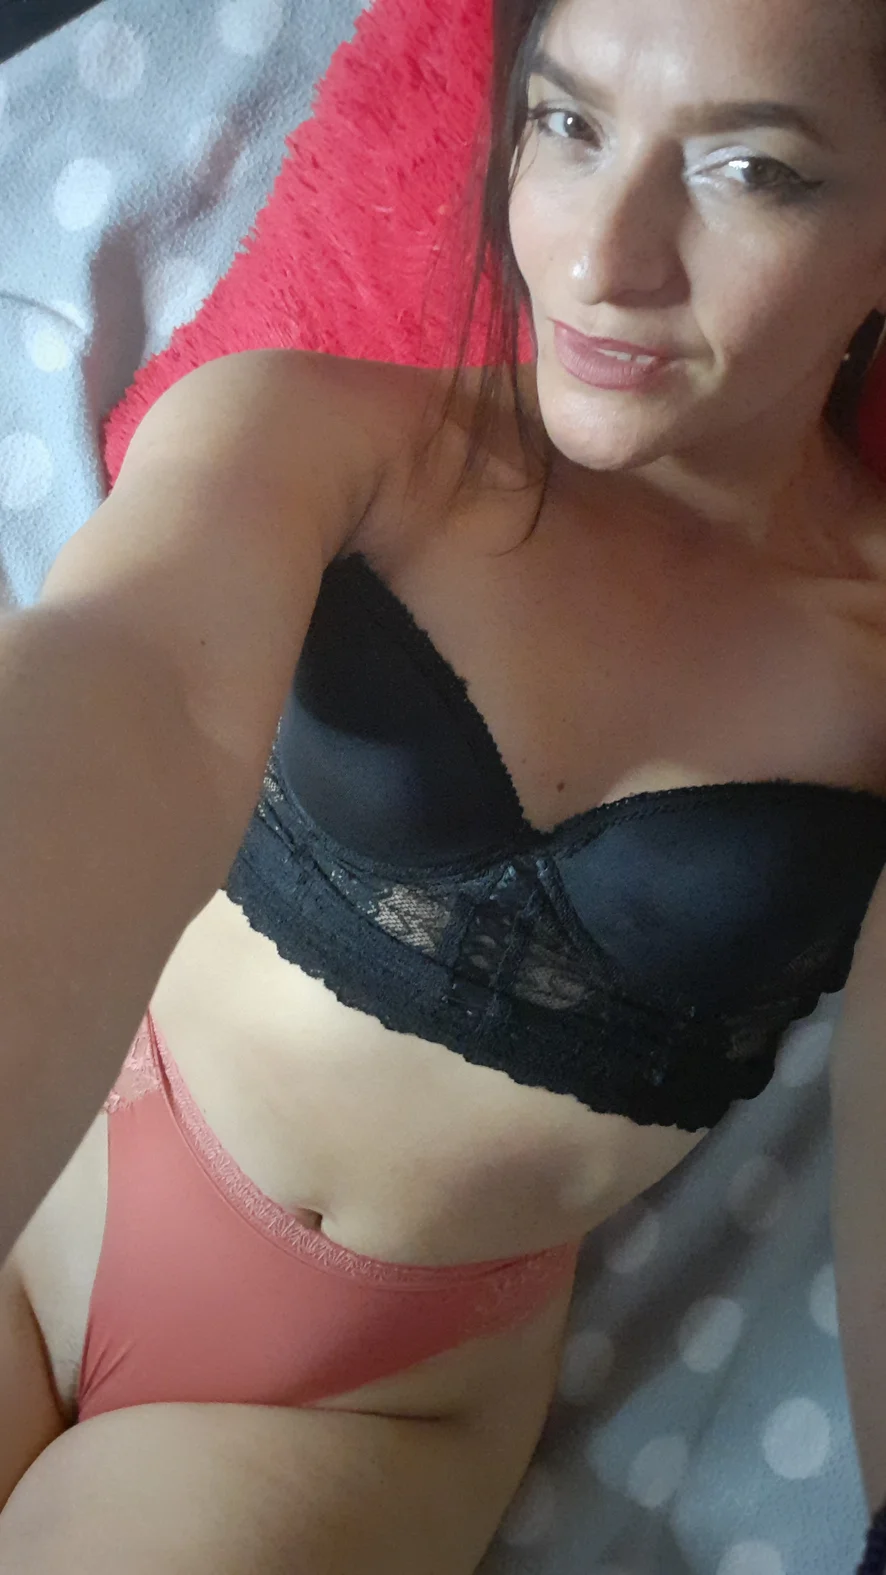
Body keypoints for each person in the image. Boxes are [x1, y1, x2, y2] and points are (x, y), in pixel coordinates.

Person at [2, 0, 886, 1568]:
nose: (600, 256)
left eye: (748, 169)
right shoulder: (321, 434)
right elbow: (128, 688)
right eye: (569, 124)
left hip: (363, 1403)